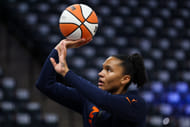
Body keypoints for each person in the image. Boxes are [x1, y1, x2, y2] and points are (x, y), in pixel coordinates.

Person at [36, 39, 148, 127]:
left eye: (108, 70)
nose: (100, 73)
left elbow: (104, 100)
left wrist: (67, 73)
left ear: (125, 79)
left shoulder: (136, 104)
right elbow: (45, 84)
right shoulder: (87, 100)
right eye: (102, 69)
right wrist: (59, 47)